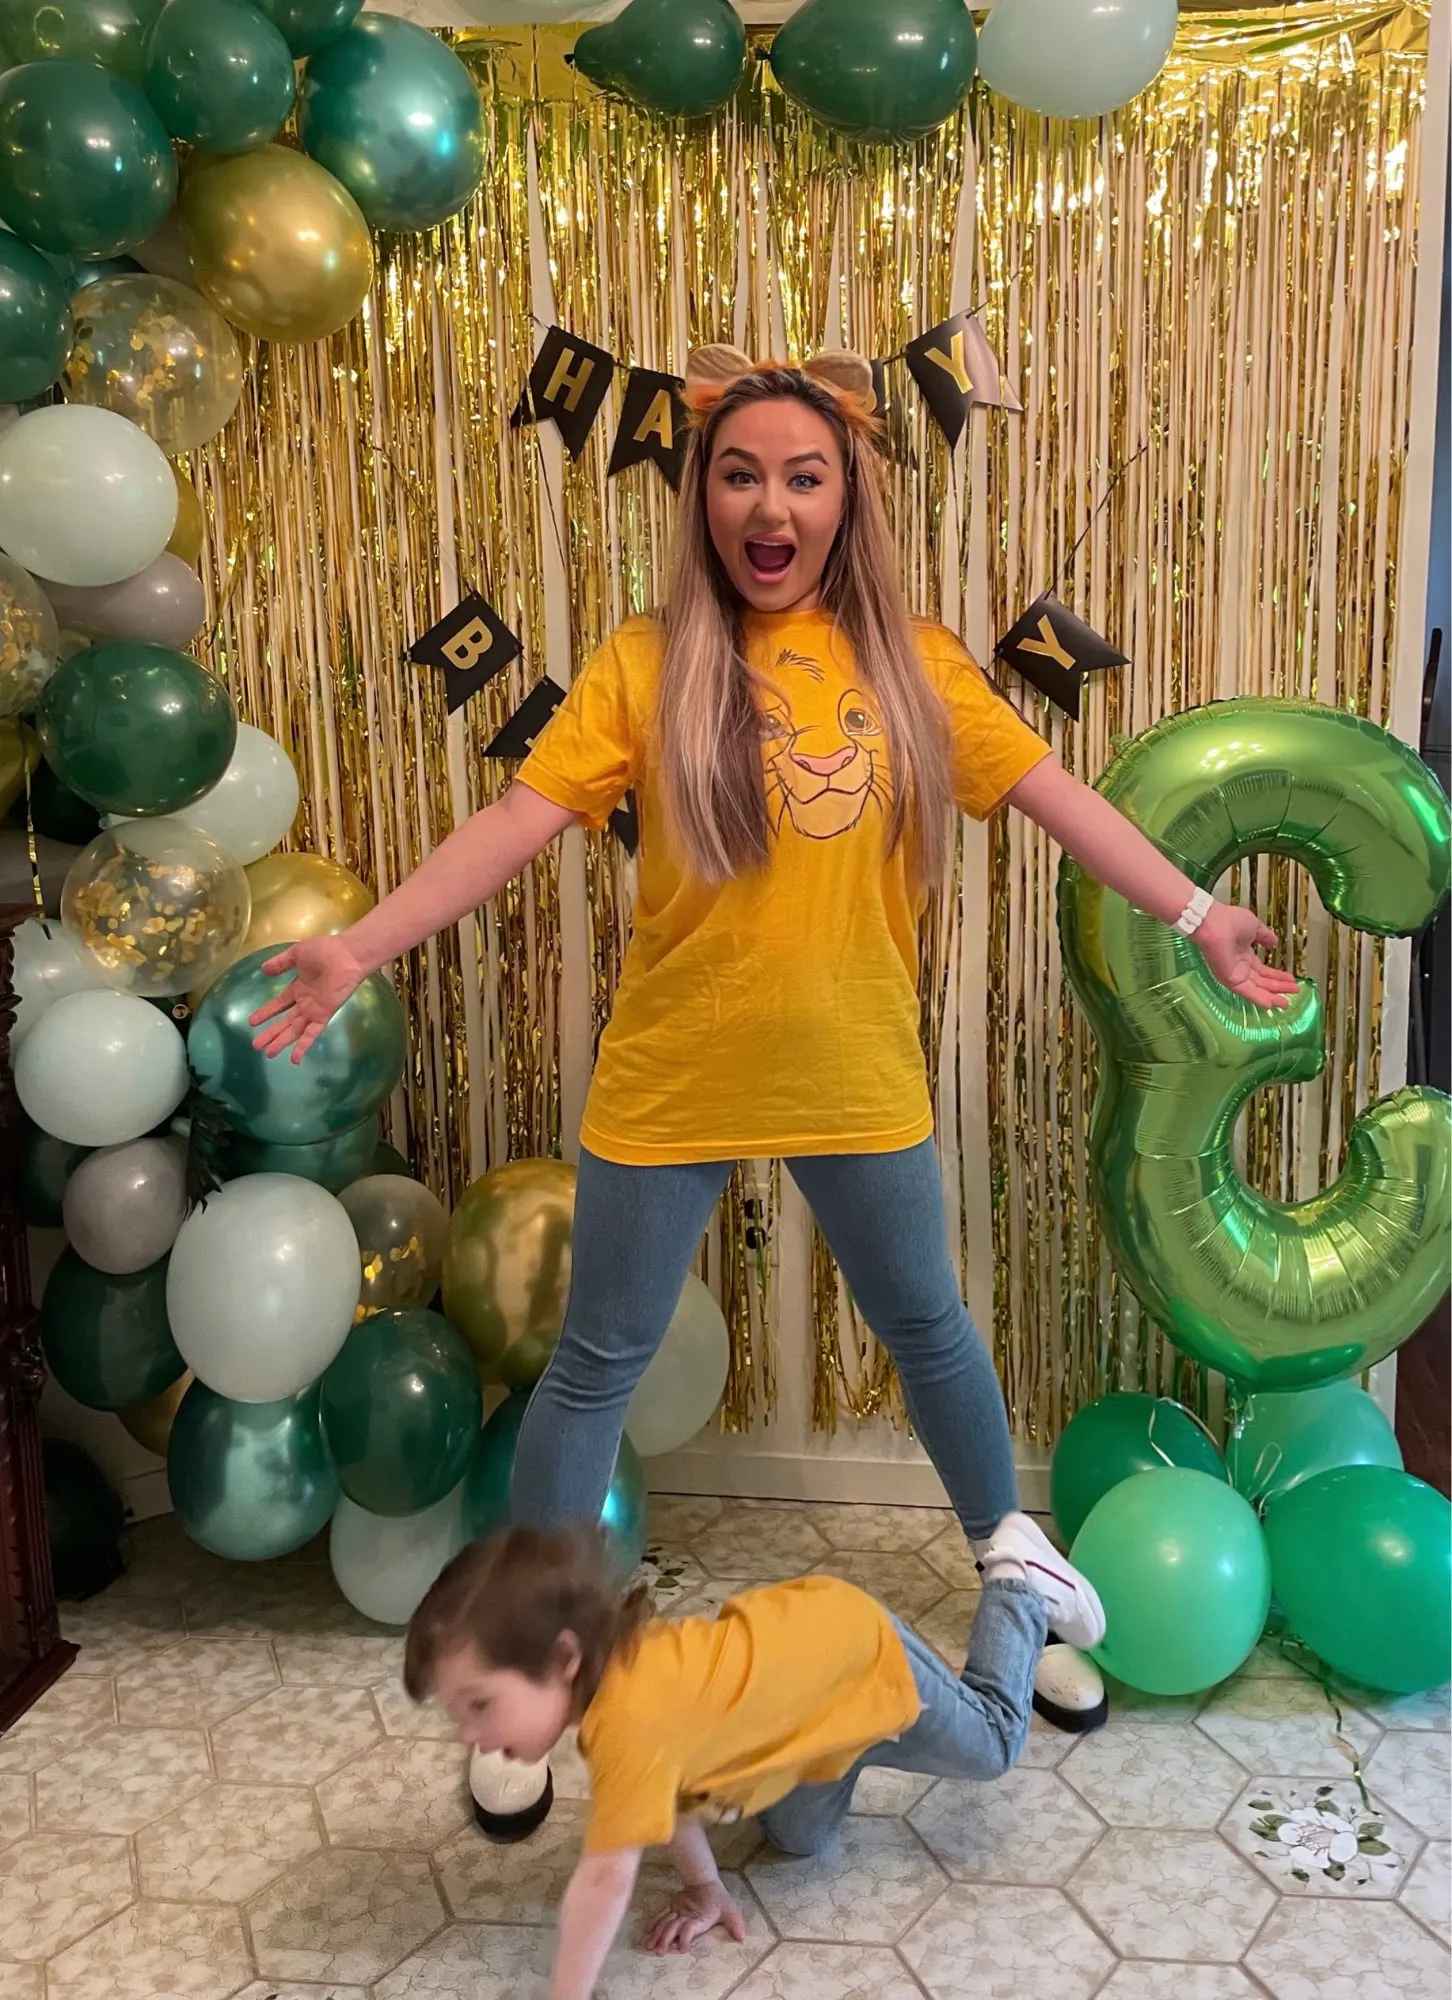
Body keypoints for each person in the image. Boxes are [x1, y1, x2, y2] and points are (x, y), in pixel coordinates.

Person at [252, 343, 1296, 1794]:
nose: (771, 503)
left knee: (930, 1331)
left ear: (845, 499)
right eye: (740, 473)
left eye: (804, 476)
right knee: (595, 1365)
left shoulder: (917, 665)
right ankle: (534, 1672)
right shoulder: (645, 664)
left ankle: (1023, 1592)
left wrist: (1198, 913)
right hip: (672, 1077)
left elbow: (1061, 799)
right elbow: (510, 827)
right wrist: (359, 947)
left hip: (854, 1072)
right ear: (703, 497)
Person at [405, 1521, 1091, 2000]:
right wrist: (706, 1889)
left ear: (562, 1658)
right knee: (797, 1837)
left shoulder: (628, 1718)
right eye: (457, 1713)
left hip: (854, 1652)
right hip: (805, 1712)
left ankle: (1016, 1580)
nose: (469, 1735)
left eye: (479, 1703)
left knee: (996, 1743)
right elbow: (667, 1794)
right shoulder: (612, 1712)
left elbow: (605, 1880)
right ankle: (849, 1749)